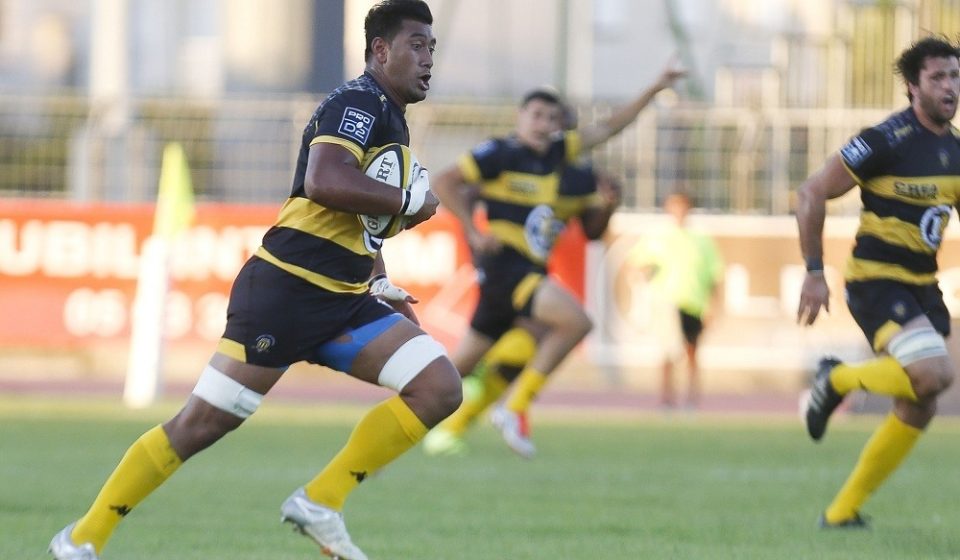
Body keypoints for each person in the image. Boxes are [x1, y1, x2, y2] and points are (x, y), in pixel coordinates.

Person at [48, 3, 459, 560]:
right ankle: (82, 538)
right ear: (380, 51)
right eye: (417, 44)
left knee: (438, 386)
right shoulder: (358, 101)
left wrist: (377, 278)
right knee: (200, 425)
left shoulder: (390, 117)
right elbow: (323, 180)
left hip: (343, 300)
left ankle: (322, 500)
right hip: (287, 293)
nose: (428, 58)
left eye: (432, 47)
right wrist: (407, 199)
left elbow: (357, 220)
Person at [431, 62, 685, 458]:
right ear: (522, 117)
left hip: (529, 271)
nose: (546, 124)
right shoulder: (502, 154)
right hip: (506, 269)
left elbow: (595, 228)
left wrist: (608, 205)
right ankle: (511, 408)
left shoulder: (579, 176)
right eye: (538, 115)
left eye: (554, 118)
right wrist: (475, 233)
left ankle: (420, 419)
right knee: (574, 322)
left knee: (460, 369)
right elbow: (452, 186)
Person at [796, 36, 960, 528]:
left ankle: (841, 511)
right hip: (875, 281)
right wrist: (813, 271)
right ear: (913, 87)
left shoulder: (955, 151)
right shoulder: (885, 139)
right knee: (934, 375)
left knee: (920, 404)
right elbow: (811, 192)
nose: (950, 86)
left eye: (955, 76)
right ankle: (837, 378)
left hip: (922, 286)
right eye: (938, 77)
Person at [627, 190, 723, 410]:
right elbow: (635, 264)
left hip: (694, 303)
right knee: (667, 353)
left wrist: (712, 306)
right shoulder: (657, 237)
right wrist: (644, 271)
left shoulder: (702, 240)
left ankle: (691, 399)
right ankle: (666, 399)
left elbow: (715, 275)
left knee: (692, 352)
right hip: (666, 303)